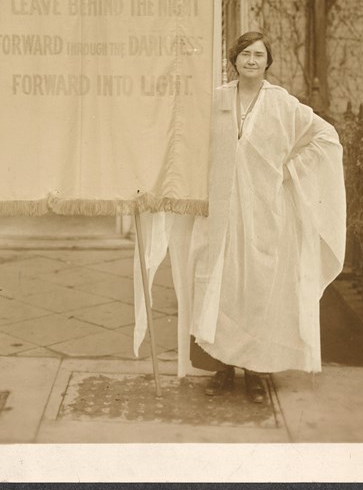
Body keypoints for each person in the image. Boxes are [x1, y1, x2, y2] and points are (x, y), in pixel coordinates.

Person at [133, 31, 346, 405]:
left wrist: (290, 170)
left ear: (268, 62)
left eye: (259, 55)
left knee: (257, 290)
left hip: (264, 214)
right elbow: (182, 137)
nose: (251, 60)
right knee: (215, 287)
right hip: (217, 214)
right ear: (234, 60)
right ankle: (223, 371)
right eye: (245, 54)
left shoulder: (282, 105)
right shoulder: (214, 101)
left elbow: (325, 137)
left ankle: (256, 374)